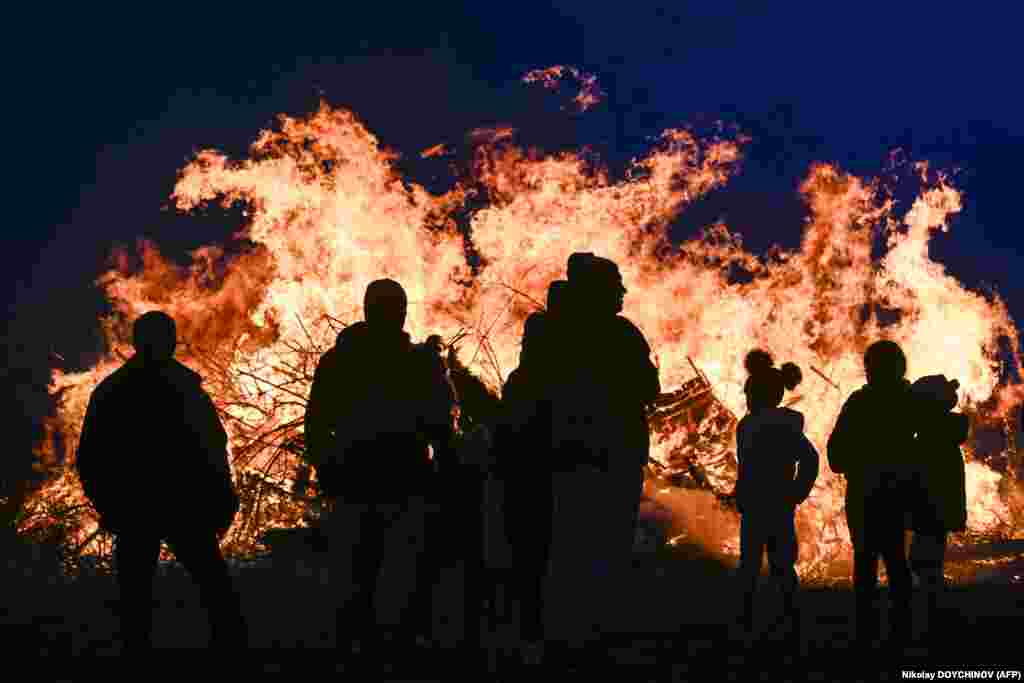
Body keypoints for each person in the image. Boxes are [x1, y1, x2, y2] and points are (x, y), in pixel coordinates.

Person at [304, 279, 457, 661]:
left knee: (361, 571)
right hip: (399, 481)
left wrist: (326, 467)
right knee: (401, 570)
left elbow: (317, 424)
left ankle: (358, 647)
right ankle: (394, 646)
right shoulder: (420, 361)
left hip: (361, 479)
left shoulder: (340, 359)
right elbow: (442, 422)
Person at [76, 310, 245, 651]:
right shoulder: (183, 387)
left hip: (138, 508)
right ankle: (230, 652)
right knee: (212, 584)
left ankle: (139, 656)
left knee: (136, 594)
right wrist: (222, 493)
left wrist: (108, 503)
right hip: (181, 504)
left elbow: (91, 456)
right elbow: (212, 445)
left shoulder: (113, 390)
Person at [546, 253, 660, 662]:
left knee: (571, 549)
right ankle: (600, 636)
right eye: (616, 286)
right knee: (607, 549)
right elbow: (649, 388)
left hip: (569, 459)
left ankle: (568, 636)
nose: (623, 293)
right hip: (611, 459)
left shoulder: (556, 333)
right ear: (600, 292)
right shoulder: (621, 336)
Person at [495, 279, 570, 665]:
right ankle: (535, 638)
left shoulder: (524, 382)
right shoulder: (555, 384)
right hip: (542, 484)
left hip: (526, 483)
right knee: (540, 560)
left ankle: (526, 636)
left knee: (528, 561)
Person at [826, 340, 916, 651]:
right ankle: (902, 632)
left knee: (865, 563)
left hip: (865, 493)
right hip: (896, 493)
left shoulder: (859, 403)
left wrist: (858, 462)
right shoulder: (910, 400)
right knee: (896, 561)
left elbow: (836, 455)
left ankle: (865, 635)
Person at [734, 350, 819, 646]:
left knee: (753, 566)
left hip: (763, 508)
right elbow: (810, 461)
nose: (746, 400)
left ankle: (754, 622)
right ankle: (786, 621)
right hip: (775, 507)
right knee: (780, 566)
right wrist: (796, 492)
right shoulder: (772, 425)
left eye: (749, 394)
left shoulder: (751, 426)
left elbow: (809, 460)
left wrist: (795, 492)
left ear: (761, 395)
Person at [908, 374, 968, 646]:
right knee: (929, 556)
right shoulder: (944, 435)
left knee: (923, 558)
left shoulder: (929, 439)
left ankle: (934, 614)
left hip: (929, 507)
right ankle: (936, 608)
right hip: (938, 509)